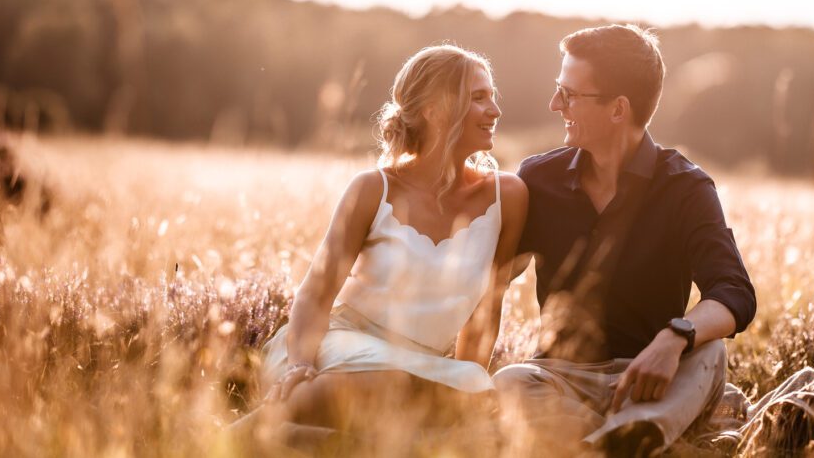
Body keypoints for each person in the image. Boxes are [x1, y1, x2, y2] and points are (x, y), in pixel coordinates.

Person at [238, 44, 527, 449]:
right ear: (434, 108)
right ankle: (235, 439)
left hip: (427, 367)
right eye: (479, 97)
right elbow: (316, 293)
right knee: (385, 383)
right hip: (341, 345)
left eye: (492, 96)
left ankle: (304, 439)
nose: (495, 110)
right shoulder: (373, 188)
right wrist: (301, 364)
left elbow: (486, 311)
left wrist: (465, 388)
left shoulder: (508, 196)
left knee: (477, 396)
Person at [493, 24, 756, 456]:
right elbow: (494, 275)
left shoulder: (685, 188)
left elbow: (734, 291)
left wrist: (674, 339)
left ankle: (626, 434)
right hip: (562, 375)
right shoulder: (538, 179)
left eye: (570, 94)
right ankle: (631, 444)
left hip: (654, 378)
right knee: (510, 381)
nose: (555, 104)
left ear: (618, 109)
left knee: (710, 353)